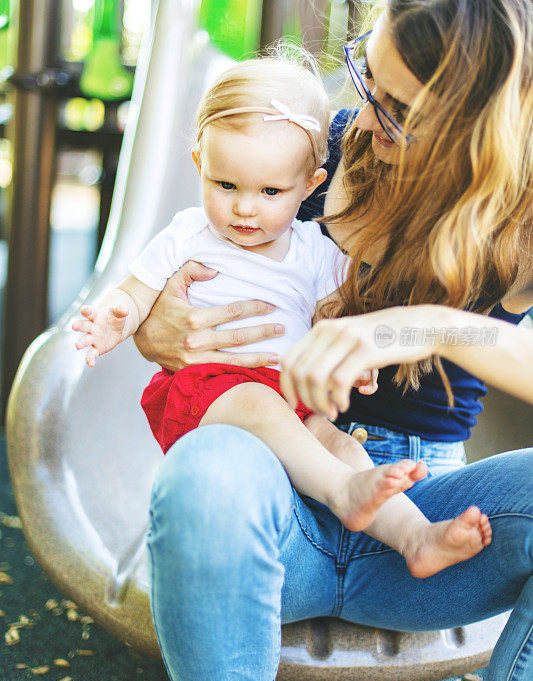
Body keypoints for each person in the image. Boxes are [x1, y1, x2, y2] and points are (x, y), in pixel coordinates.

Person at [133, 0, 532, 681]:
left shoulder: (519, 225)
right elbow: (180, 280)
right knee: (206, 466)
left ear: (475, 128)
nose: (365, 114)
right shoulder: (314, 157)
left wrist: (407, 325)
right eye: (365, 77)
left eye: (398, 110)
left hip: (422, 530)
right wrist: (158, 330)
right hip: (272, 513)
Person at [72, 56, 492, 577]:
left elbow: (339, 320)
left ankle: (414, 536)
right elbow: (136, 293)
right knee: (259, 404)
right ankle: (341, 492)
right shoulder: (187, 233)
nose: (245, 209)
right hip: (214, 389)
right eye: (226, 186)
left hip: (291, 395)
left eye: (270, 192)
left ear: (309, 184)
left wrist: (353, 361)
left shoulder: (316, 249)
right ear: (201, 166)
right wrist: (118, 317)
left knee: (339, 444)